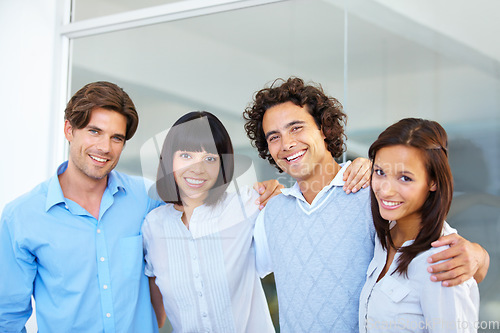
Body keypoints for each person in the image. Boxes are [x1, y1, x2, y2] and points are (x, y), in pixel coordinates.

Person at [0, 82, 277, 332]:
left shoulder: (148, 199)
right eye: (94, 131)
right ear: (69, 130)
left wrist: (270, 192)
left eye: (116, 138)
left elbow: (163, 273)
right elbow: (8, 317)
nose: (104, 147)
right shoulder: (22, 217)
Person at [243, 77, 489, 332]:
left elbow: (438, 245)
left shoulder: (373, 192)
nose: (286, 144)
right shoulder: (273, 211)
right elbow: (233, 271)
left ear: (324, 129)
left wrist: (479, 256)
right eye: (274, 137)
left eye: (296, 128)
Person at [142, 111, 277, 332]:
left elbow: (304, 199)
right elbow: (154, 311)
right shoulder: (153, 226)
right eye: (186, 155)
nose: (197, 168)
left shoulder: (246, 205)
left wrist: (352, 168)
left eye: (210, 158)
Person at [359, 118, 479, 332]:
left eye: (405, 178)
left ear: (433, 182)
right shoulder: (384, 235)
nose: (385, 190)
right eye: (380, 172)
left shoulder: (442, 262)